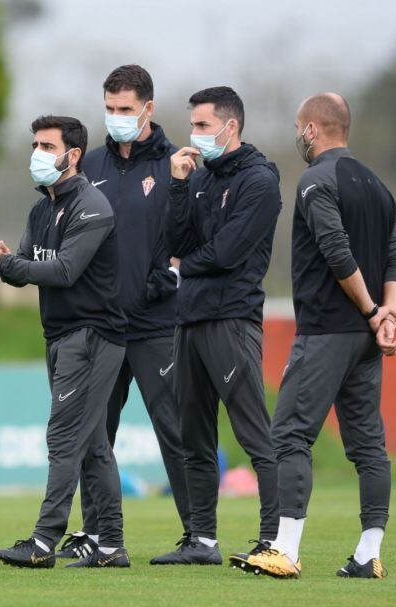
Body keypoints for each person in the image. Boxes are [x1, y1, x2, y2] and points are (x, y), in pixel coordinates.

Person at [244, 92, 396, 580]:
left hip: (327, 330)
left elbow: (336, 250)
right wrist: (388, 317)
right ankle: (368, 553)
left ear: (312, 130)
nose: (298, 135)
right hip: (365, 338)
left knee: (290, 434)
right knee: (368, 446)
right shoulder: (378, 186)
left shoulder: (316, 180)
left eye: (299, 127)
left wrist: (371, 308)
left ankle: (286, 549)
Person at [0, 115, 131, 568]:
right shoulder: (40, 210)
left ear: (73, 156)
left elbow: (63, 271)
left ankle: (42, 543)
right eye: (35, 144)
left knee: (64, 435)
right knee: (92, 444)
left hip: (93, 335)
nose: (38, 153)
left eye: (48, 146)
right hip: (59, 336)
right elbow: (25, 270)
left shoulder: (93, 206)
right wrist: (3, 261)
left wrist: (5, 265)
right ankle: (111, 547)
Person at [54, 64, 190, 562]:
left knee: (174, 430)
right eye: (109, 109)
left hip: (156, 322)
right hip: (101, 326)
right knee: (94, 437)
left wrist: (170, 273)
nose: (116, 118)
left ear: (148, 109)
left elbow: (191, 235)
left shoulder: (178, 163)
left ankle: (198, 534)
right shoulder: (88, 165)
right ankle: (97, 535)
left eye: (125, 110)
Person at [157, 86, 282, 566]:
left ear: (231, 126)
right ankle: (202, 541)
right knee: (194, 436)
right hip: (188, 319)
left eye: (204, 125)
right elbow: (177, 237)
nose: (195, 134)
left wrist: (183, 266)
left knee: (254, 435)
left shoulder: (259, 180)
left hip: (231, 319)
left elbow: (228, 252)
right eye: (193, 125)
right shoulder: (203, 178)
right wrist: (178, 185)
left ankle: (274, 539)